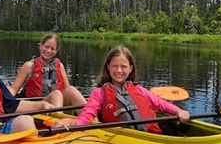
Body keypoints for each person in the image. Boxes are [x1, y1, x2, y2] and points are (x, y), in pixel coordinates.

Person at [53, 45, 188, 133]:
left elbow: (161, 105)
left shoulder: (139, 89)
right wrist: (72, 122)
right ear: (108, 67)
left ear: (130, 68)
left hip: (153, 136)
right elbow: (86, 116)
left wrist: (179, 111)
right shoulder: (99, 93)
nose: (119, 71)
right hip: (122, 138)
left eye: (123, 66)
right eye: (114, 66)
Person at [9, 33, 87, 108]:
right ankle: (57, 118)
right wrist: (3, 100)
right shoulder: (29, 66)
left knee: (71, 89)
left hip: (59, 104)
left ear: (56, 51)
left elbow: (67, 89)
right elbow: (14, 89)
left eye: (52, 49)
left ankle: (92, 116)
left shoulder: (60, 66)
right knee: (56, 94)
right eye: (46, 47)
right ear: (40, 46)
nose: (48, 51)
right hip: (36, 107)